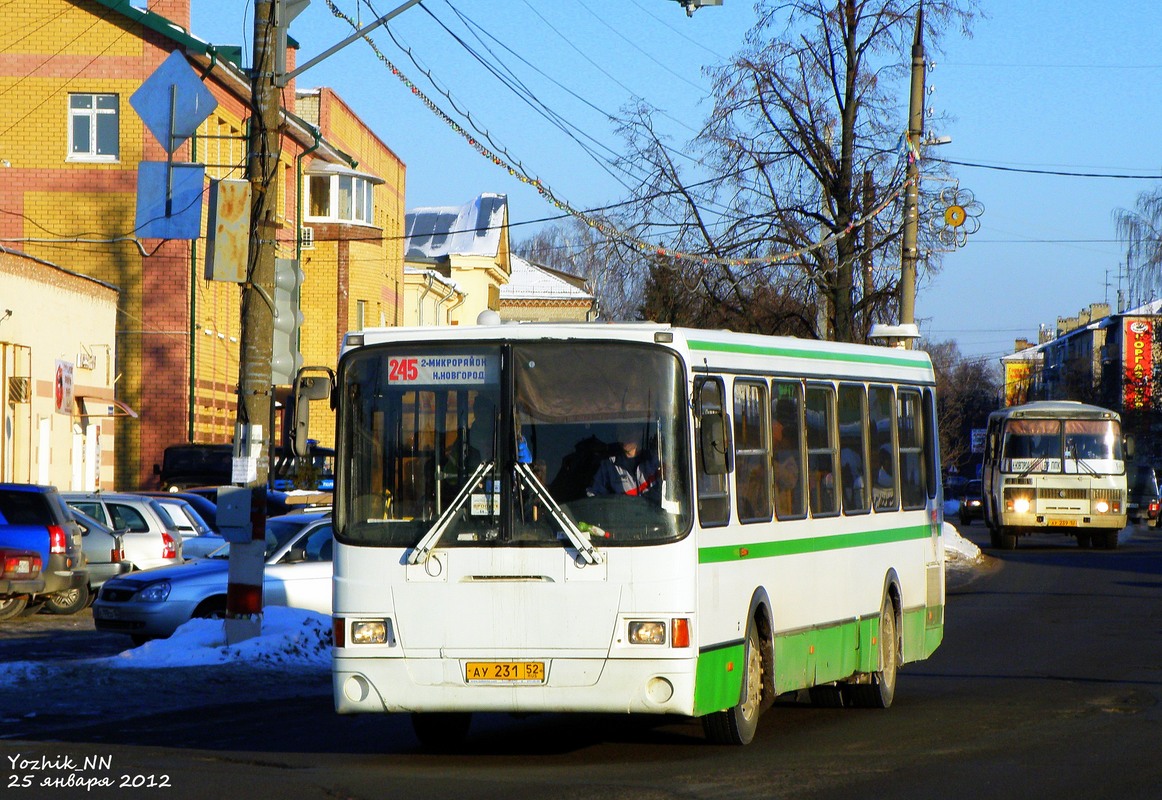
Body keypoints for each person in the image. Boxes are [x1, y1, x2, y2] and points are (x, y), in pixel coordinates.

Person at [587, 424, 660, 501]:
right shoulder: (609, 466)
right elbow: (593, 495)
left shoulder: (655, 460)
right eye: (620, 433)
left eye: (628, 432)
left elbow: (669, 488)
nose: (623, 437)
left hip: (653, 512)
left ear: (639, 433)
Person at [445, 394, 497, 475]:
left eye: (486, 412)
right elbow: (451, 476)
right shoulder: (464, 438)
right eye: (480, 411)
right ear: (475, 413)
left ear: (492, 414)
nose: (483, 416)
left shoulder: (501, 438)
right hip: (470, 486)